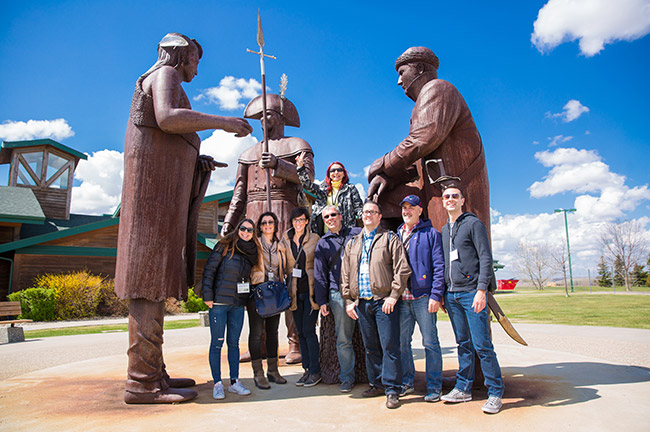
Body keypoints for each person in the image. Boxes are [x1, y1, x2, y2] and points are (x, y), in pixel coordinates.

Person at [115, 32, 252, 404]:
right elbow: (167, 117)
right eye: (194, 59)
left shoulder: (166, 78)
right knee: (147, 280)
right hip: (151, 203)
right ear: (179, 56)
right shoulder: (166, 74)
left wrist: (196, 162)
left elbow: (166, 134)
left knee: (154, 282)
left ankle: (153, 373)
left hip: (157, 198)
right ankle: (141, 382)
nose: (196, 67)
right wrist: (224, 122)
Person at [223, 93, 313, 364]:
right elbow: (239, 191)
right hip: (253, 216)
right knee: (257, 281)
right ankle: (259, 343)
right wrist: (229, 221)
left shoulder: (298, 145)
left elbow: (308, 180)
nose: (264, 120)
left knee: (289, 280)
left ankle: (295, 343)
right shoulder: (248, 153)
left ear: (281, 118)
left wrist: (279, 165)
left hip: (285, 214)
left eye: (269, 115)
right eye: (260, 116)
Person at [367, 46, 490, 233]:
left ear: (420, 69)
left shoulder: (438, 89)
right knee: (383, 199)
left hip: (455, 191)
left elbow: (421, 140)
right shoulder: (423, 103)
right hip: (437, 191)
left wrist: (384, 163)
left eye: (402, 72)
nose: (399, 82)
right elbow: (417, 160)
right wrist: (389, 178)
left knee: (457, 247)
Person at [439, 184, 504, 414]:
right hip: (452, 294)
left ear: (462, 200)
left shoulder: (473, 224)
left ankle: (495, 392)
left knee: (482, 345)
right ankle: (463, 388)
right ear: (443, 201)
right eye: (447, 196)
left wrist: (481, 290)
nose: (450, 199)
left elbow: (485, 258)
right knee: (463, 344)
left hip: (471, 293)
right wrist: (445, 293)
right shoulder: (444, 230)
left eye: (455, 196)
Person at [340, 200, 411, 409]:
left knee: (390, 345)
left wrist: (393, 295)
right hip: (361, 303)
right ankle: (377, 383)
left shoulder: (390, 238)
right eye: (365, 212)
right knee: (371, 347)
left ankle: (392, 389)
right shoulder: (352, 243)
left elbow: (402, 269)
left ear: (380, 216)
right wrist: (349, 300)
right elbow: (345, 274)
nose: (368, 215)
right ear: (361, 217)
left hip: (384, 302)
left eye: (373, 212)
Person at [201, 218, 260, 400]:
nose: (246, 232)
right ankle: (218, 383)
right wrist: (208, 296)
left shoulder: (252, 252)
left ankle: (234, 382)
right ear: (238, 229)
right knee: (217, 343)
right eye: (243, 228)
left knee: (234, 343)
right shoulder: (224, 245)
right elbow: (209, 270)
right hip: (219, 302)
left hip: (238, 303)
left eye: (250, 230)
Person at [396, 195, 445, 402]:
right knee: (402, 343)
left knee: (430, 342)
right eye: (404, 208)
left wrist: (436, 295)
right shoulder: (396, 234)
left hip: (423, 297)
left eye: (411, 208)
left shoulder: (431, 234)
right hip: (402, 298)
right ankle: (407, 382)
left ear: (419, 210)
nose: (406, 211)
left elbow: (439, 266)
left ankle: (434, 386)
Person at [313, 205, 366, 391]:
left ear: (341, 216)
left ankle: (377, 376)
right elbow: (320, 275)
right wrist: (322, 301)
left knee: (370, 336)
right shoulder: (323, 243)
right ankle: (347, 377)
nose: (330, 218)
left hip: (363, 290)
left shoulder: (357, 233)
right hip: (338, 294)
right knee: (344, 339)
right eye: (326, 216)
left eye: (333, 215)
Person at [280, 207, 321, 386]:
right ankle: (306, 369)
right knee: (301, 332)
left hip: (311, 292)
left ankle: (315, 370)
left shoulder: (315, 239)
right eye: (295, 220)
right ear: (292, 222)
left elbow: (321, 265)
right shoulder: (285, 240)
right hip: (294, 293)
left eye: (301, 220)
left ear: (306, 221)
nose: (298, 223)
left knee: (309, 331)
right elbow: (281, 263)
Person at [247, 211, 288, 389]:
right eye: (264, 223)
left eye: (270, 222)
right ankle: (258, 373)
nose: (267, 225)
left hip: (274, 292)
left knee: (273, 332)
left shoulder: (280, 246)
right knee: (256, 333)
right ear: (260, 226)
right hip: (257, 291)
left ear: (275, 225)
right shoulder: (253, 243)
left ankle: (273, 370)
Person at [296, 156, 363, 235]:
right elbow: (307, 185)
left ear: (344, 173)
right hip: (325, 232)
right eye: (332, 171)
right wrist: (300, 167)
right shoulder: (322, 189)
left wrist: (367, 215)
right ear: (329, 174)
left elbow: (359, 208)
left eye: (339, 170)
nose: (336, 172)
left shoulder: (350, 189)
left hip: (346, 231)